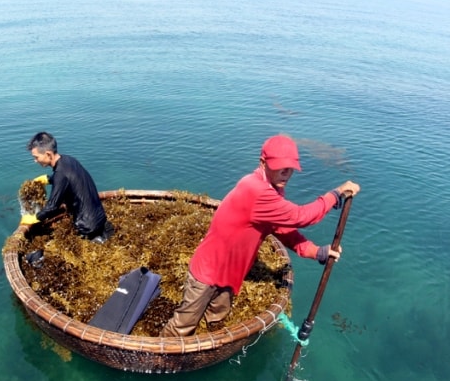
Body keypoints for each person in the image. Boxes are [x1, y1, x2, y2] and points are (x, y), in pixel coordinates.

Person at [160, 134, 360, 337]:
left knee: (217, 317)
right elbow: (301, 217)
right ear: (263, 163)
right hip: (207, 271)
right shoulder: (255, 190)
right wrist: (335, 194)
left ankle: (206, 346)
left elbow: (283, 231)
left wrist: (316, 252)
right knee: (182, 325)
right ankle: (159, 358)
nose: (287, 173)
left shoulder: (272, 191)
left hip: (231, 273)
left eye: (291, 168)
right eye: (281, 167)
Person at [20, 132, 115, 243]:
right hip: (99, 218)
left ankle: (96, 240)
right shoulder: (68, 160)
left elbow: (52, 206)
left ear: (49, 154)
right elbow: (67, 178)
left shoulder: (60, 174)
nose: (35, 161)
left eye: (36, 157)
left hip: (87, 227)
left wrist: (34, 218)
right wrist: (48, 179)